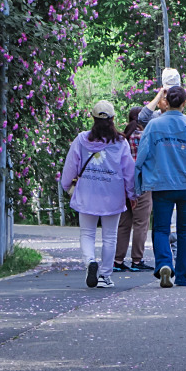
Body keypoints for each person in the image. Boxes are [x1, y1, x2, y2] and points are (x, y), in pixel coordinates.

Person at [136, 84, 186, 287]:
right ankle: (183, 276)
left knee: (161, 228)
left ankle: (164, 264)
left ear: (165, 102)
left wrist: (137, 182)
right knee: (185, 230)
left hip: (161, 184)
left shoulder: (153, 126)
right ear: (185, 103)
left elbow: (142, 155)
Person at [60, 100, 136, 289]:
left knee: (87, 233)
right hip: (113, 194)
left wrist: (66, 185)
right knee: (110, 236)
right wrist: (132, 194)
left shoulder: (82, 140)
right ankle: (105, 276)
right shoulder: (120, 142)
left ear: (93, 118)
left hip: (87, 192)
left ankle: (90, 262)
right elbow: (128, 171)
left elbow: (71, 166)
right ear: (113, 119)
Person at [114, 105, 154, 270]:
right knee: (141, 223)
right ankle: (137, 260)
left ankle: (118, 261)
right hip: (142, 183)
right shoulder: (145, 136)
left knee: (124, 224)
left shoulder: (122, 138)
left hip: (123, 185)